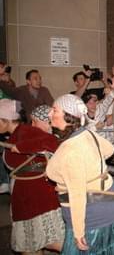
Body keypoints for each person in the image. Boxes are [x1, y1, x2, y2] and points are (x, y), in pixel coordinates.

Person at [46, 94, 114, 254]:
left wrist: (78, 233)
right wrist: (93, 167)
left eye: (54, 110)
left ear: (68, 117)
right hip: (111, 202)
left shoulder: (70, 151)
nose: (50, 114)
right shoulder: (86, 133)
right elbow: (109, 149)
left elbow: (77, 194)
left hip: (93, 214)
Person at [0, 99, 64, 254]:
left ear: (5, 120)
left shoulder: (25, 132)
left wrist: (21, 147)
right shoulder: (17, 134)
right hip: (26, 196)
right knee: (31, 245)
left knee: (55, 242)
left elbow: (51, 141)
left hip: (37, 196)